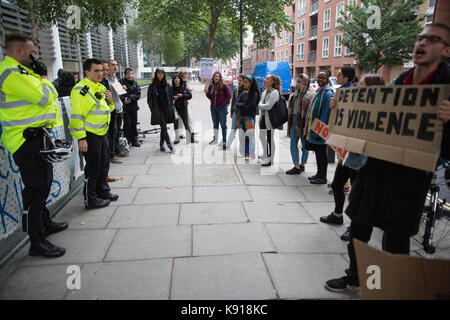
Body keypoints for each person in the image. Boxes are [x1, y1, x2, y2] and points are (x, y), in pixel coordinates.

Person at [325, 23, 450, 292]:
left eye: (433, 39)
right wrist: (342, 107)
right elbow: (371, 118)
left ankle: (389, 288)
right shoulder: (401, 82)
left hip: (409, 179)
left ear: (446, 50)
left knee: (395, 240)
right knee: (358, 229)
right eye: (421, 38)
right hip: (374, 172)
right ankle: (356, 277)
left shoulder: (446, 88)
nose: (422, 43)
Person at [0, 32, 68, 257]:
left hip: (37, 138)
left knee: (44, 184)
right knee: (35, 191)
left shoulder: (23, 72)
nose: (34, 56)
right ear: (18, 51)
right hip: (25, 141)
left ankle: (44, 222)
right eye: (32, 52)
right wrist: (46, 80)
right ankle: (36, 241)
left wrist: (41, 80)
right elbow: (44, 97)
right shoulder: (9, 72)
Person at [69, 59, 119, 210]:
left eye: (101, 70)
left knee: (104, 164)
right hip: (90, 135)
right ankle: (90, 199)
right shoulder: (81, 90)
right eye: (96, 71)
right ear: (87, 72)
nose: (100, 73)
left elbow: (107, 109)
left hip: (101, 133)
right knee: (93, 168)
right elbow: (77, 117)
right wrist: (81, 138)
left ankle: (102, 191)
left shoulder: (98, 87)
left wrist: (110, 101)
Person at [320, 66, 359, 225]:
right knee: (337, 184)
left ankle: (355, 224)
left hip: (355, 151)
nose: (336, 76)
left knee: (356, 190)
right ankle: (337, 215)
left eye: (340, 74)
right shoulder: (342, 91)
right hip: (346, 148)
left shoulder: (351, 93)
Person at [304, 70, 334, 184]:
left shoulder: (327, 94)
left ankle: (323, 177)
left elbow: (326, 114)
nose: (320, 80)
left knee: (322, 154)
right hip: (315, 129)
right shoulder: (319, 91)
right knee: (318, 153)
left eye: (323, 78)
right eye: (319, 77)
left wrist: (319, 131)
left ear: (328, 79)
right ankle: (319, 173)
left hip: (321, 130)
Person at [286, 74, 316, 174]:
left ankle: (302, 164)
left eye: (300, 82)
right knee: (293, 144)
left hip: (304, 122)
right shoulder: (295, 94)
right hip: (294, 120)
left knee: (304, 146)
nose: (297, 84)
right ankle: (296, 165)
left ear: (305, 82)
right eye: (297, 81)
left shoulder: (311, 94)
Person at [147, 67, 175, 152]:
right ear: (156, 74)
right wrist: (152, 108)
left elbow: (171, 97)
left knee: (164, 127)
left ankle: (161, 143)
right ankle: (170, 145)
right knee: (163, 126)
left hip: (166, 108)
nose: (160, 74)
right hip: (158, 109)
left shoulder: (168, 85)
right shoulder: (152, 86)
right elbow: (149, 99)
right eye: (158, 73)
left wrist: (171, 106)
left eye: (162, 73)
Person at [234, 75, 260, 159]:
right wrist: (243, 105)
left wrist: (242, 105)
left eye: (246, 82)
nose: (244, 84)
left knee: (249, 136)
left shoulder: (254, 94)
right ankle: (245, 152)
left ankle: (251, 153)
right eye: (244, 82)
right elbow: (236, 103)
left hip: (249, 118)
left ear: (251, 83)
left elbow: (251, 106)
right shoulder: (243, 93)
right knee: (241, 135)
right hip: (241, 117)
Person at [204, 71, 232, 150]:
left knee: (223, 125)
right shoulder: (212, 86)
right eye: (215, 76)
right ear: (213, 78)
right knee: (215, 124)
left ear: (220, 78)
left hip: (222, 109)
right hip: (213, 108)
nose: (216, 77)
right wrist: (206, 93)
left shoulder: (224, 86)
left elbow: (229, 96)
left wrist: (223, 104)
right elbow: (211, 97)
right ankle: (215, 139)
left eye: (218, 76)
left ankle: (224, 141)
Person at [258, 74, 282, 167]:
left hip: (270, 120)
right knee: (261, 136)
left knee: (270, 139)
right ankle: (265, 154)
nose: (265, 79)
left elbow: (268, 106)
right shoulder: (265, 92)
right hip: (263, 119)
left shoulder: (274, 92)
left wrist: (260, 106)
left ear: (272, 82)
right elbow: (261, 102)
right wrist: (262, 105)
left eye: (267, 79)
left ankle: (270, 159)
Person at [106, 60, 126, 161]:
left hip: (119, 108)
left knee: (118, 132)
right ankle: (111, 154)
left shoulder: (116, 78)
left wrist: (122, 89)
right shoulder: (106, 80)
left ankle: (117, 150)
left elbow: (120, 93)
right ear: (108, 67)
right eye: (113, 65)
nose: (115, 67)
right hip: (111, 109)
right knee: (112, 133)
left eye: (116, 65)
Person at [120, 68, 141, 147]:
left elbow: (138, 94)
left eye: (131, 74)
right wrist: (125, 100)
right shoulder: (121, 82)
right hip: (125, 108)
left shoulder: (135, 83)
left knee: (134, 124)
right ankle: (127, 140)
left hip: (134, 107)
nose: (130, 75)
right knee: (127, 124)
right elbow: (120, 94)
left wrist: (131, 99)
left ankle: (135, 140)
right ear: (125, 75)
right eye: (128, 74)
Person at [172, 75, 196, 143]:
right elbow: (168, 98)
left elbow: (190, 96)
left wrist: (182, 95)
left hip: (183, 108)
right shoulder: (171, 89)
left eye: (178, 78)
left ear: (180, 80)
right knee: (176, 124)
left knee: (186, 123)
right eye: (175, 79)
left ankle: (190, 137)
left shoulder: (183, 88)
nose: (176, 80)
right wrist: (174, 98)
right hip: (175, 109)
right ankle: (177, 138)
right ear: (173, 81)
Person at [226, 74, 246, 148]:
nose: (239, 82)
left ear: (244, 81)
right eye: (238, 80)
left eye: (240, 81)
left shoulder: (246, 90)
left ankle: (242, 146)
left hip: (243, 114)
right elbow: (233, 101)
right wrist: (231, 112)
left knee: (241, 131)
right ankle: (228, 144)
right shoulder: (236, 89)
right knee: (233, 129)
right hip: (235, 112)